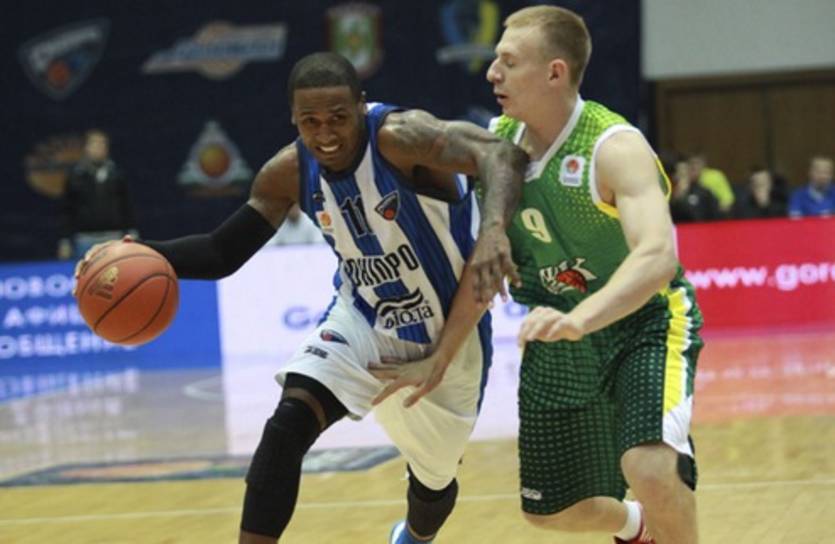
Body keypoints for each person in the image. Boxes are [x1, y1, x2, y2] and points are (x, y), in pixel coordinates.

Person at [75, 52, 526, 544]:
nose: (325, 133)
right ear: (293, 118)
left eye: (338, 117)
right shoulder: (287, 172)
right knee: (288, 423)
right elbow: (223, 252)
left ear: (361, 106)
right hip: (365, 318)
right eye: (310, 121)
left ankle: (415, 537)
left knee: (433, 485)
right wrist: (135, 253)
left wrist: (493, 232)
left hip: (450, 332)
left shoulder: (401, 137)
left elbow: (502, 154)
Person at [379, 6, 702, 544]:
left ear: (555, 72)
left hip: (642, 324)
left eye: (508, 62)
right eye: (495, 61)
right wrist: (441, 355)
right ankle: (637, 527)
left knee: (648, 467)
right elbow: (484, 266)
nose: (492, 73)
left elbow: (656, 257)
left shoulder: (613, 147)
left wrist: (580, 319)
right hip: (556, 334)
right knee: (552, 512)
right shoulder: (494, 147)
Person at [58, 129, 136, 259]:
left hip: (114, 237)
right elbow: (67, 210)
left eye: (102, 144)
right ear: (86, 148)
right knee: (86, 271)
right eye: (94, 144)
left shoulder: (116, 174)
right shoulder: (75, 176)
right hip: (85, 239)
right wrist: (64, 240)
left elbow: (126, 205)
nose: (99, 148)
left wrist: (132, 232)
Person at [667, 154, 721, 223]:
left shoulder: (704, 193)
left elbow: (714, 215)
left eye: (683, 174)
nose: (678, 178)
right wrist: (678, 197)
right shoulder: (667, 195)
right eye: (678, 174)